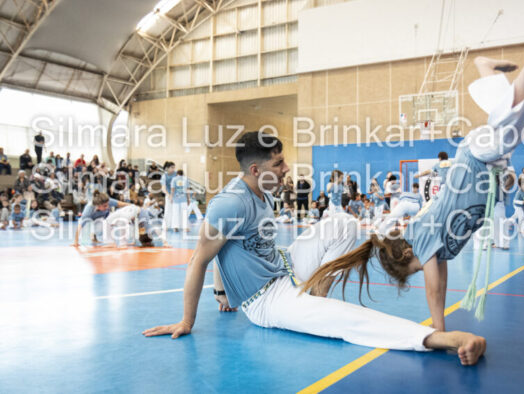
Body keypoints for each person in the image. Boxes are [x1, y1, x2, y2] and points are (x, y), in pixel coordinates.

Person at [304, 20, 524, 332]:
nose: (428, 267)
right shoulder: (437, 249)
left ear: (408, 253)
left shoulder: (421, 236)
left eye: (416, 268)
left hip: (474, 157)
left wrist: (438, 329)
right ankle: (486, 69)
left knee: (510, 121)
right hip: (485, 165)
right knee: (504, 116)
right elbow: (441, 277)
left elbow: (434, 289)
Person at [143, 131, 486, 365]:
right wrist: (187, 320)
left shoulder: (263, 192)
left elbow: (227, 244)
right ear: (255, 169)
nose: (286, 168)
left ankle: (315, 296)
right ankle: (439, 339)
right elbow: (200, 258)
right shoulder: (230, 202)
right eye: (278, 164)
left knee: (344, 223)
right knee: (344, 319)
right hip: (265, 300)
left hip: (285, 265)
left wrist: (222, 292)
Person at [160, 163, 176, 230]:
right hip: (168, 195)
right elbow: (163, 188)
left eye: (174, 167)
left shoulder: (176, 174)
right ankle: (165, 225)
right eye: (172, 167)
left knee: (176, 211)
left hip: (176, 195)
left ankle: (175, 225)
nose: (173, 169)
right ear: (168, 168)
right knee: (167, 210)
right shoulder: (164, 176)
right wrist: (168, 195)